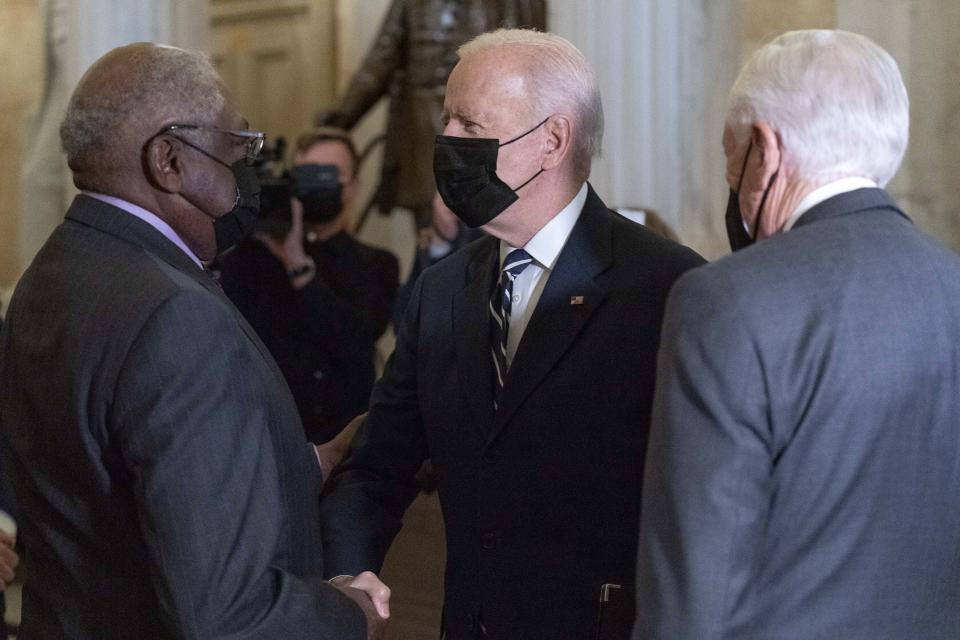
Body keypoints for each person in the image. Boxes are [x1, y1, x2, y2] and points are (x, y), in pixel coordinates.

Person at [320, 29, 705, 640]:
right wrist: (345, 582)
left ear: (552, 140)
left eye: (469, 125)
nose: (447, 141)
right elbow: (377, 467)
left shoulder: (666, 287)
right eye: (446, 120)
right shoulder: (441, 291)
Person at [0, 43, 389, 639]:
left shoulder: (52, 273)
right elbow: (227, 614)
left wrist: (310, 462)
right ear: (169, 161)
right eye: (239, 146)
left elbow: (133, 480)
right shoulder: (175, 314)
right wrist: (349, 614)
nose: (251, 170)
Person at [634, 30, 960, 640]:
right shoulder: (953, 285)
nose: (728, 177)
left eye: (728, 154)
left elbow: (693, 589)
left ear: (764, 148)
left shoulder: (725, 301)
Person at [219, 128, 399, 447]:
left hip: (345, 445)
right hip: (268, 439)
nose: (317, 185)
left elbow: (356, 338)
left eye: (328, 175)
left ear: (353, 186)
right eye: (307, 174)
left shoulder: (377, 265)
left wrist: (299, 268)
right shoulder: (253, 260)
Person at [319, 0, 546, 225]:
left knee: (491, 228)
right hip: (423, 137)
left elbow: (532, 59)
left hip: (490, 135)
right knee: (432, 230)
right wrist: (340, 119)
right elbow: (382, 58)